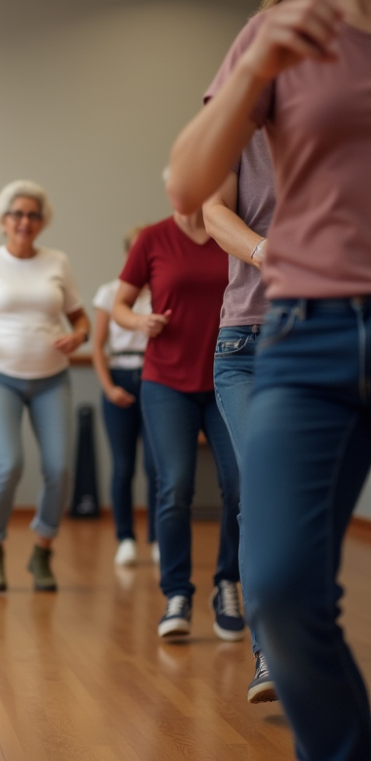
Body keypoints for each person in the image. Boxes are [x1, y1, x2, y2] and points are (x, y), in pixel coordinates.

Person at [168, 0, 371, 761]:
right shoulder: (279, 32)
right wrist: (256, 65)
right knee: (283, 590)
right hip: (305, 329)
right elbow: (191, 191)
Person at [112, 192, 243, 644]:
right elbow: (120, 304)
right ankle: (176, 594)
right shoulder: (152, 239)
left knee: (240, 486)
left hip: (228, 378)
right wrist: (140, 322)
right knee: (175, 487)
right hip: (166, 382)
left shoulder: (231, 232)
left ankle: (228, 584)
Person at [200, 0, 282, 707]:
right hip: (251, 340)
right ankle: (273, 651)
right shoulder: (238, 123)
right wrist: (265, 251)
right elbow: (212, 211)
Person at [0, 180, 90, 593]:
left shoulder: (57, 261)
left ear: (42, 222)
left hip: (52, 378)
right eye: (17, 214)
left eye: (32, 215)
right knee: (8, 464)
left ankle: (42, 550)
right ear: (3, 220)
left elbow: (80, 319)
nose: (24, 221)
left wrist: (78, 337)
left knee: (58, 469)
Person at [91, 227, 158, 567]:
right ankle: (125, 538)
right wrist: (109, 388)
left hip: (156, 379)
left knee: (156, 465)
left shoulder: (162, 291)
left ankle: (157, 538)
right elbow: (97, 348)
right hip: (119, 378)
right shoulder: (110, 292)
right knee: (122, 466)